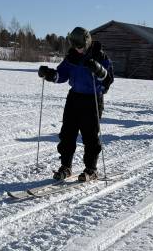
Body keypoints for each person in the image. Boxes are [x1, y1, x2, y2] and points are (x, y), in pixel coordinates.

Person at [38, 27, 113, 181]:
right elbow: (62, 75)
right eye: (75, 46)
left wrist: (99, 71)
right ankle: (66, 166)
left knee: (90, 136)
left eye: (80, 46)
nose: (77, 49)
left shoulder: (100, 56)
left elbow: (107, 81)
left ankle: (91, 169)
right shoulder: (71, 56)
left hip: (92, 99)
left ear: (87, 42)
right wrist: (50, 75)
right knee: (67, 134)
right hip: (74, 98)